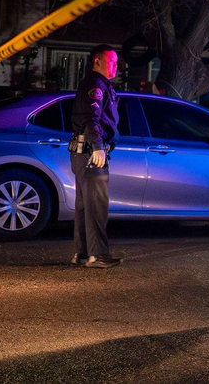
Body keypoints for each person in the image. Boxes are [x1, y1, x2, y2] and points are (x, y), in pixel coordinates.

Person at [69, 44, 123, 269]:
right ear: (97, 61)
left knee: (85, 207)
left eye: (117, 62)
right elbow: (91, 118)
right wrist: (98, 147)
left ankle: (82, 253)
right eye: (111, 61)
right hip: (91, 153)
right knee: (97, 206)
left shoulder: (100, 85)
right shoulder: (95, 85)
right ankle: (97, 255)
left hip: (82, 153)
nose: (115, 66)